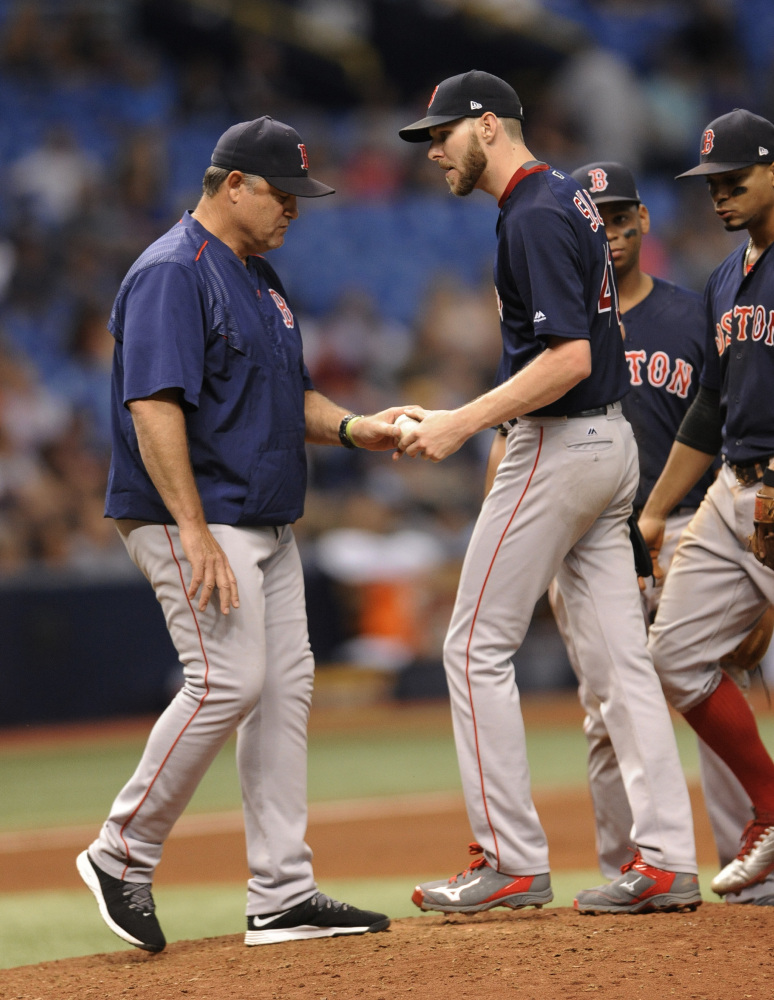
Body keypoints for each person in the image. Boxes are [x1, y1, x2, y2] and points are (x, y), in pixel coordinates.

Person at [76, 116, 399, 953]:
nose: (295, 209)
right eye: (282, 194)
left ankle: (283, 892)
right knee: (227, 680)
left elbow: (287, 402)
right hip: (196, 515)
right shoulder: (171, 273)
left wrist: (362, 428)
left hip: (262, 517)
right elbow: (152, 406)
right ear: (232, 185)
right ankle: (121, 852)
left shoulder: (260, 279)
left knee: (284, 689)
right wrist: (192, 530)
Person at [396, 70, 701, 916]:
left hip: (563, 439)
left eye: (443, 135)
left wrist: (462, 422)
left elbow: (564, 357)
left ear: (489, 126)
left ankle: (511, 860)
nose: (435, 154)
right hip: (612, 446)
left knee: (470, 646)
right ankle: (670, 858)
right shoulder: (567, 200)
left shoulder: (531, 211)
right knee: (621, 663)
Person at [551, 161, 774, 905]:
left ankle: (750, 864)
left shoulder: (685, 307)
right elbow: (712, 408)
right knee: (624, 701)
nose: (610, 230)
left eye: (621, 217)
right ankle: (636, 868)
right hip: (611, 533)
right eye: (596, 217)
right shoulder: (562, 317)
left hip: (699, 516)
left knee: (729, 670)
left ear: (643, 220)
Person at [638, 108, 774, 898]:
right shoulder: (727, 276)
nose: (719, 197)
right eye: (712, 185)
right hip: (732, 483)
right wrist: (656, 509)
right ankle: (769, 807)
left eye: (736, 181)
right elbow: (707, 406)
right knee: (676, 655)